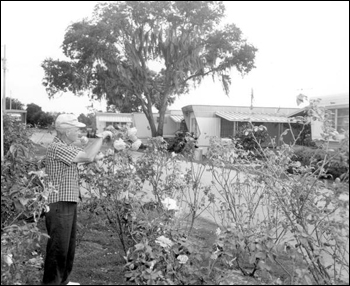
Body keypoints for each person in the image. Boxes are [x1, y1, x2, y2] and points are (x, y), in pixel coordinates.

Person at [42, 114, 112, 285]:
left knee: (67, 246)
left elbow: (84, 159)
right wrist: (101, 137)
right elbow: (86, 156)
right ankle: (52, 283)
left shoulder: (65, 147)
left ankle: (63, 281)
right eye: (76, 129)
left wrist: (97, 156)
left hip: (67, 201)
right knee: (58, 247)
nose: (79, 132)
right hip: (58, 203)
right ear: (66, 131)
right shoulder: (57, 147)